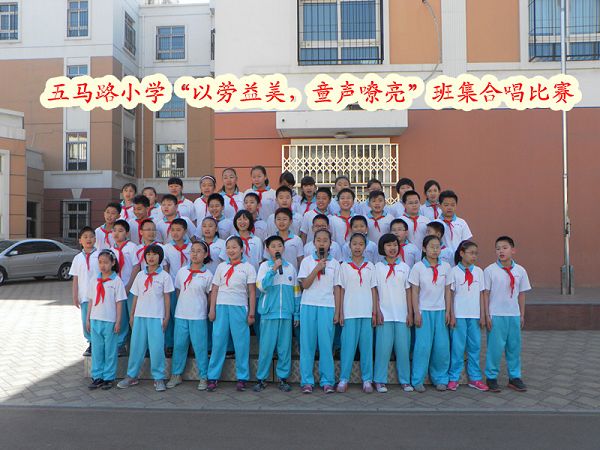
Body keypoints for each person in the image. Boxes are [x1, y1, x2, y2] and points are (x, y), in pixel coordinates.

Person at [117, 245, 174, 392]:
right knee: (136, 347)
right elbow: (135, 296)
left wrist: (167, 317)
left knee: (156, 348)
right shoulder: (140, 275)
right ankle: (132, 375)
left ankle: (158, 377)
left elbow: (167, 298)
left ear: (160, 257)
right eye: (148, 254)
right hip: (140, 316)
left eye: (154, 254)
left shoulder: (165, 276)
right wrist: (132, 315)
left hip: (156, 317)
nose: (151, 257)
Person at [206, 236, 257, 392]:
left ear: (241, 249)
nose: (231, 250)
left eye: (234, 247)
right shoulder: (221, 266)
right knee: (218, 342)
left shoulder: (248, 267)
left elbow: (252, 292)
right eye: (228, 247)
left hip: (239, 307)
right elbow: (215, 289)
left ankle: (242, 377)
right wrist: (212, 309)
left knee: (241, 343)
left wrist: (251, 313)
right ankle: (213, 376)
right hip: (221, 307)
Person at [484, 236, 531, 393]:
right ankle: (491, 377)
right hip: (496, 315)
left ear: (513, 250)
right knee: (495, 348)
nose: (501, 251)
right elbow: (485, 294)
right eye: (498, 248)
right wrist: (487, 315)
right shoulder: (490, 270)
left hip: (513, 315)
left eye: (505, 248)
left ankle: (514, 377)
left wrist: (521, 314)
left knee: (514, 348)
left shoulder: (520, 271)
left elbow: (521, 294)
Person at [253, 236, 300, 393]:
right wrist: (273, 270)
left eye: (279, 245)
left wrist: (296, 314)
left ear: (284, 248)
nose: (277, 249)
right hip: (268, 314)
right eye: (273, 246)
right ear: (267, 250)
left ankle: (283, 378)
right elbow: (262, 287)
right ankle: (262, 378)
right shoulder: (264, 267)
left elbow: (296, 292)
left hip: (286, 314)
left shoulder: (290, 268)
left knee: (284, 348)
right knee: (266, 348)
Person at [297, 229, 341, 394]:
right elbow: (305, 285)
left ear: (330, 244)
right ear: (314, 243)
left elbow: (337, 289)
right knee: (307, 345)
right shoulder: (307, 261)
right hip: (308, 305)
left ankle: (327, 381)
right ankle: (307, 381)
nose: (322, 243)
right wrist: (317, 268)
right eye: (319, 240)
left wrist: (337, 311)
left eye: (325, 240)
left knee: (326, 345)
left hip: (327, 306)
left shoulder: (335, 264)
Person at [167, 241, 213, 391]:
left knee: (200, 347)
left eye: (199, 251)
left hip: (198, 316)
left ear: (205, 255)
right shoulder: (182, 271)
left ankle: (203, 376)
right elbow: (178, 291)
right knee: (179, 346)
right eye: (192, 250)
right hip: (181, 315)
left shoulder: (208, 275)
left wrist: (206, 310)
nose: (195, 254)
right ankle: (176, 374)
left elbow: (210, 296)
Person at [336, 233, 378, 394]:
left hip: (366, 312)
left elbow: (373, 290)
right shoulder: (344, 266)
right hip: (349, 312)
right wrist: (340, 312)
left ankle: (367, 379)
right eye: (354, 244)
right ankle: (344, 379)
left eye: (361, 244)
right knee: (347, 347)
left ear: (365, 247)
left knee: (366, 347)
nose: (357, 247)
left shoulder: (370, 266)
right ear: (349, 246)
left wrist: (374, 311)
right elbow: (341, 290)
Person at [409, 235, 452, 393]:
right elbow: (414, 291)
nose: (435, 250)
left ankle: (440, 378)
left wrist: (448, 311)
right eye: (431, 247)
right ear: (424, 248)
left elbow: (448, 291)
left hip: (440, 311)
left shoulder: (446, 267)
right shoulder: (418, 267)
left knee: (441, 347)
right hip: (424, 311)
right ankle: (418, 379)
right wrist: (416, 312)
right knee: (423, 347)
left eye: (437, 247)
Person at [373, 234, 413, 393]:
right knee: (382, 350)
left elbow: (409, 291)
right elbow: (375, 291)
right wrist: (377, 311)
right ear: (382, 248)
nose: (392, 248)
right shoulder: (377, 267)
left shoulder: (405, 267)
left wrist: (410, 312)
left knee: (403, 350)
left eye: (395, 245)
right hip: (384, 315)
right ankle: (379, 380)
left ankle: (405, 380)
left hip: (402, 315)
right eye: (388, 245)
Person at [447, 240, 488, 392]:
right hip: (459, 316)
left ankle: (475, 378)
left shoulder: (479, 272)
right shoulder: (454, 271)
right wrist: (451, 315)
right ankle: (454, 377)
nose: (474, 256)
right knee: (457, 348)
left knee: (475, 347)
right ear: (462, 253)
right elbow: (450, 295)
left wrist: (483, 315)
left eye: (476, 253)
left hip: (475, 316)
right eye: (471, 253)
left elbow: (482, 294)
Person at [86, 250, 126, 390]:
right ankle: (97, 376)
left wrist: (118, 321)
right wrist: (88, 319)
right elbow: (91, 301)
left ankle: (108, 377)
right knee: (97, 350)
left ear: (113, 263)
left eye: (106, 262)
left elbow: (119, 303)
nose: (102, 266)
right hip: (95, 319)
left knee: (110, 350)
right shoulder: (94, 280)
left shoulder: (116, 281)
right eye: (100, 262)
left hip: (110, 321)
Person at [163, 218, 192, 354]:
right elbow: (166, 267)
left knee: (187, 315)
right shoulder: (166, 248)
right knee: (171, 314)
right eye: (172, 230)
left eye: (178, 230)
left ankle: (188, 343)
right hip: (173, 287)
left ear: (185, 231)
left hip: (189, 287)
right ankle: (170, 343)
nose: (175, 233)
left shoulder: (192, 247)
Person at [110, 219, 140, 354]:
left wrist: (129, 285)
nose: (117, 233)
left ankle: (137, 345)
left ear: (127, 233)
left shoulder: (132, 247)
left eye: (120, 231)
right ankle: (121, 344)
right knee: (120, 317)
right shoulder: (111, 250)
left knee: (133, 316)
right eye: (114, 231)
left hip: (131, 288)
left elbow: (136, 266)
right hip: (117, 289)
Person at [70, 226, 100, 356]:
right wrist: (75, 295)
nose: (89, 239)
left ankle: (98, 343)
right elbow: (75, 278)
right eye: (85, 237)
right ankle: (91, 343)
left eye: (91, 236)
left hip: (98, 296)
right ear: (80, 240)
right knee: (85, 321)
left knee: (96, 320)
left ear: (95, 239)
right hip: (84, 296)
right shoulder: (77, 258)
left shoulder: (100, 255)